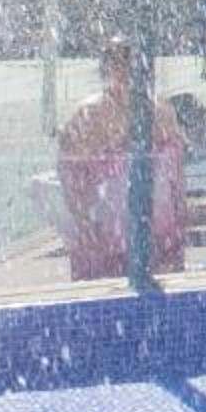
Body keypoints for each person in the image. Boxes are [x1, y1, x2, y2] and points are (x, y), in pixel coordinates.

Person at [54, 39, 189, 280]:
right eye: (118, 64)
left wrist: (180, 215)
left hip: (160, 229)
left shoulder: (160, 110)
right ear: (106, 70)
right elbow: (71, 180)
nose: (125, 71)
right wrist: (85, 225)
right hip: (107, 232)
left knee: (164, 286)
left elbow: (175, 174)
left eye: (130, 64)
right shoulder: (87, 116)